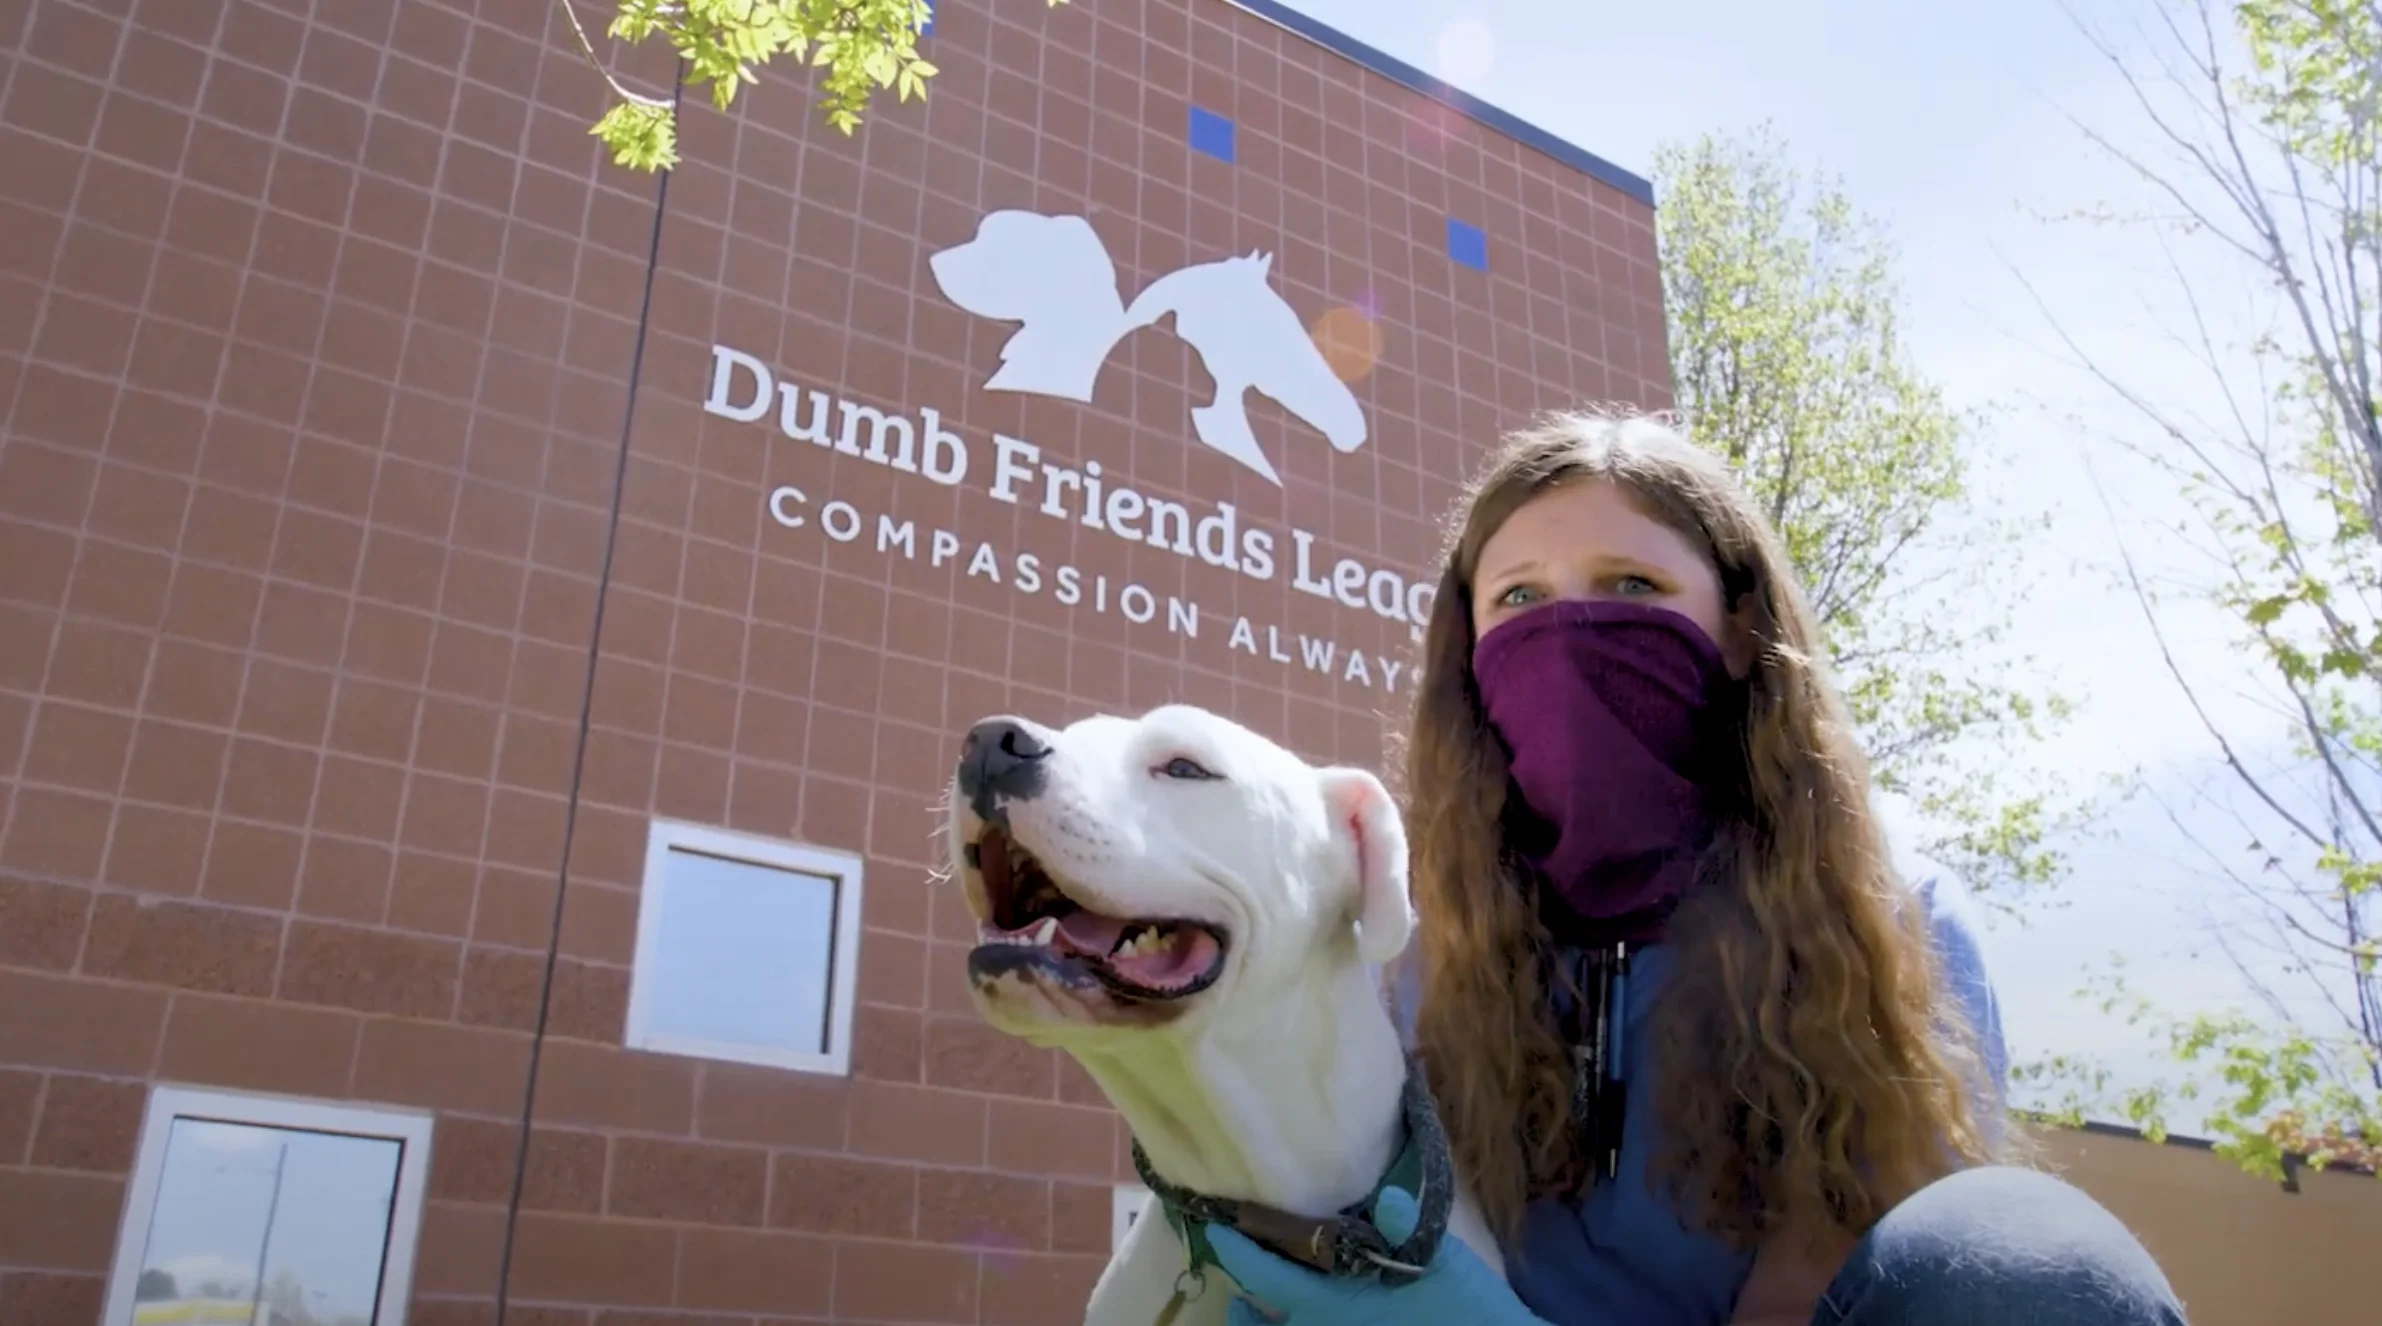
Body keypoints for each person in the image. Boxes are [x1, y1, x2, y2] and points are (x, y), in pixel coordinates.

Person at [1205, 410, 2187, 1325]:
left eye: (1633, 586)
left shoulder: (1897, 919)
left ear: (1736, 631)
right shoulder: (1402, 944)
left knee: (2024, 1259)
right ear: (1470, 653)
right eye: (1520, 597)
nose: (1571, 631)